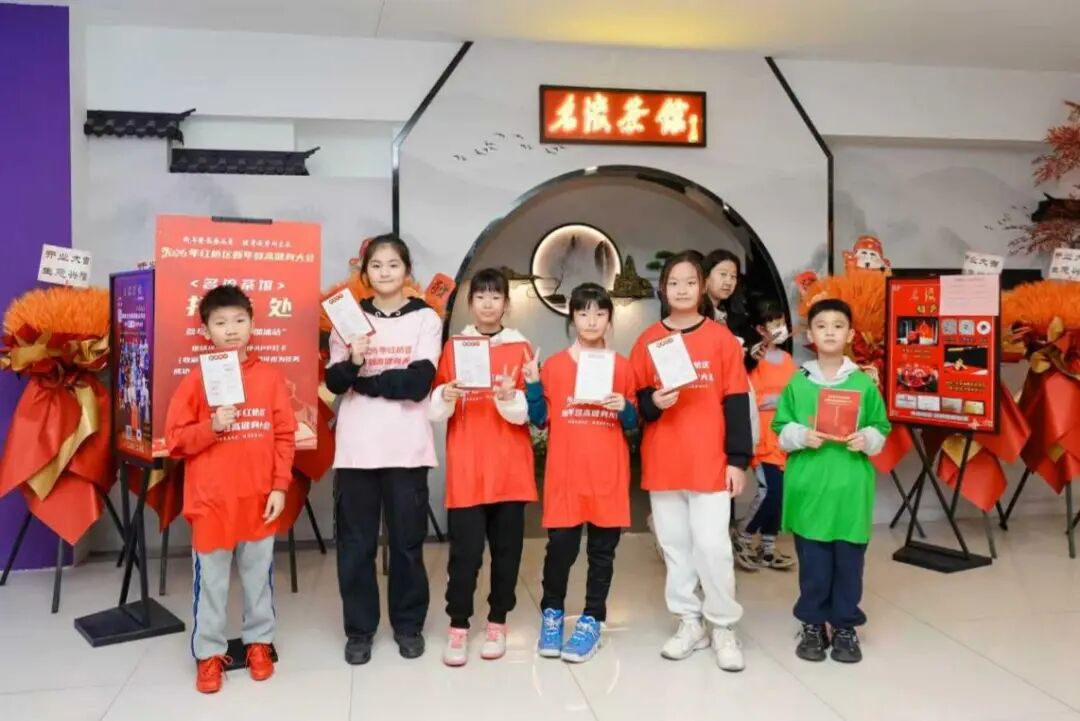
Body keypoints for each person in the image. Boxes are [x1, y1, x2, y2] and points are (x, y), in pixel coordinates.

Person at [165, 285, 297, 694]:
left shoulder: (269, 378)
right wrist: (212, 426)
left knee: (258, 578)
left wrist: (279, 487)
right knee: (212, 583)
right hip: (211, 502)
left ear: (253, 324)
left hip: (258, 499)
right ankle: (209, 653)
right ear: (206, 330)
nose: (232, 329)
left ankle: (259, 642)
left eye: (240, 320)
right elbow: (175, 440)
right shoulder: (195, 381)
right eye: (221, 323)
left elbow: (284, 435)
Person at [631, 252, 753, 672]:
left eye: (689, 282)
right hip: (664, 459)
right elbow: (637, 402)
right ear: (662, 289)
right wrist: (654, 401)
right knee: (675, 547)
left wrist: (737, 460)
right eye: (673, 283)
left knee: (713, 546)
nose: (681, 290)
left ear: (701, 288)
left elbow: (736, 401)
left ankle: (723, 625)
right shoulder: (648, 340)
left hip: (710, 461)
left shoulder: (721, 340)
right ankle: (689, 621)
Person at [326, 234, 443, 665]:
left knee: (408, 544)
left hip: (407, 448)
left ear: (407, 271)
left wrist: (366, 381)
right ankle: (359, 631)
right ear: (365, 273)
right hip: (357, 450)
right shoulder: (348, 317)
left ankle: (408, 626)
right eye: (376, 265)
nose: (385, 272)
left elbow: (417, 383)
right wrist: (354, 362)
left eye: (393, 264)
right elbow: (334, 382)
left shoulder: (425, 318)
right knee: (356, 546)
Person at [772, 298, 891, 664]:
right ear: (810, 334)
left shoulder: (863, 384)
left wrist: (867, 439)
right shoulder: (798, 383)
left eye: (838, 326)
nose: (829, 332)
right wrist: (800, 435)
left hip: (849, 490)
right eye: (821, 326)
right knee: (814, 565)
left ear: (850, 334)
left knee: (849, 565)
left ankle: (844, 626)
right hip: (810, 489)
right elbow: (780, 428)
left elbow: (881, 427)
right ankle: (812, 623)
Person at [428, 268, 536, 666]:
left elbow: (529, 414)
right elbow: (435, 410)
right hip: (468, 469)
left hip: (510, 470)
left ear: (506, 303)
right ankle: (458, 626)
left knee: (506, 554)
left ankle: (497, 622)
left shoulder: (521, 347)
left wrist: (509, 397)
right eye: (480, 297)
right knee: (465, 555)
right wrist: (447, 393)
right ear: (470, 303)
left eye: (496, 297)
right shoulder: (455, 347)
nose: (488, 304)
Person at [525, 283, 638, 664]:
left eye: (600, 313)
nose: (591, 320)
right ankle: (552, 613)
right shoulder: (556, 366)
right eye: (583, 312)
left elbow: (633, 422)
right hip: (566, 476)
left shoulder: (622, 366)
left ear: (609, 319)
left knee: (602, 554)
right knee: (560, 551)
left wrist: (624, 407)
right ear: (572, 318)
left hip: (607, 475)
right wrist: (533, 385)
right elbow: (540, 419)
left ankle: (592, 619)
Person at [733, 298, 798, 571]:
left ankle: (768, 548)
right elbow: (752, 398)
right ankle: (743, 536)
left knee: (779, 494)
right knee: (769, 491)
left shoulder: (788, 360)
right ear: (761, 329)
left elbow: (796, 395)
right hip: (762, 436)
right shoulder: (752, 360)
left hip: (784, 436)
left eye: (782, 322)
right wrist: (779, 400)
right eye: (774, 323)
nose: (780, 328)